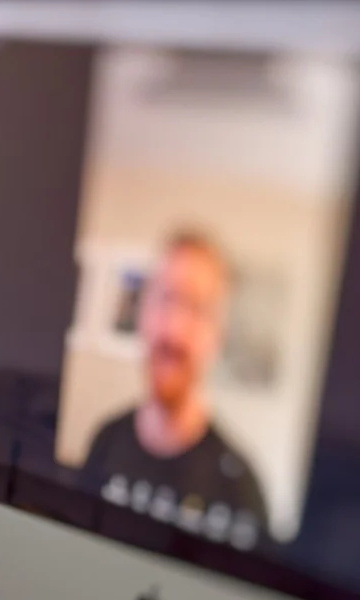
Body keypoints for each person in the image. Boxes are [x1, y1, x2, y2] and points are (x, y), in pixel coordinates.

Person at [77, 229, 271, 543]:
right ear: (143, 314)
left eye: (197, 308)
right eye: (166, 297)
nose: (174, 329)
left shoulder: (241, 489)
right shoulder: (105, 441)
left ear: (217, 337)